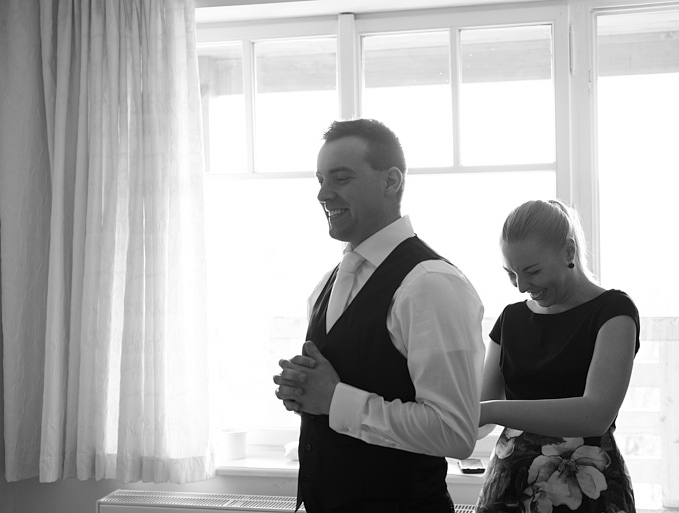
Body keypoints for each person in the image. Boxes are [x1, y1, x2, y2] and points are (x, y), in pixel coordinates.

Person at [273, 118, 485, 513]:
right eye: (320, 179)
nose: (322, 193)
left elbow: (454, 432)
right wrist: (304, 392)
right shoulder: (327, 282)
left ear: (390, 181)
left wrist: (334, 399)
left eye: (340, 178)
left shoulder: (430, 284)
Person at [476, 199, 639, 513]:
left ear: (569, 251)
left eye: (532, 271)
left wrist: (491, 411)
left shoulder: (614, 312)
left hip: (586, 490)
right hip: (508, 487)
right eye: (511, 274)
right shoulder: (510, 318)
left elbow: (595, 415)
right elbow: (479, 421)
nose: (521, 286)